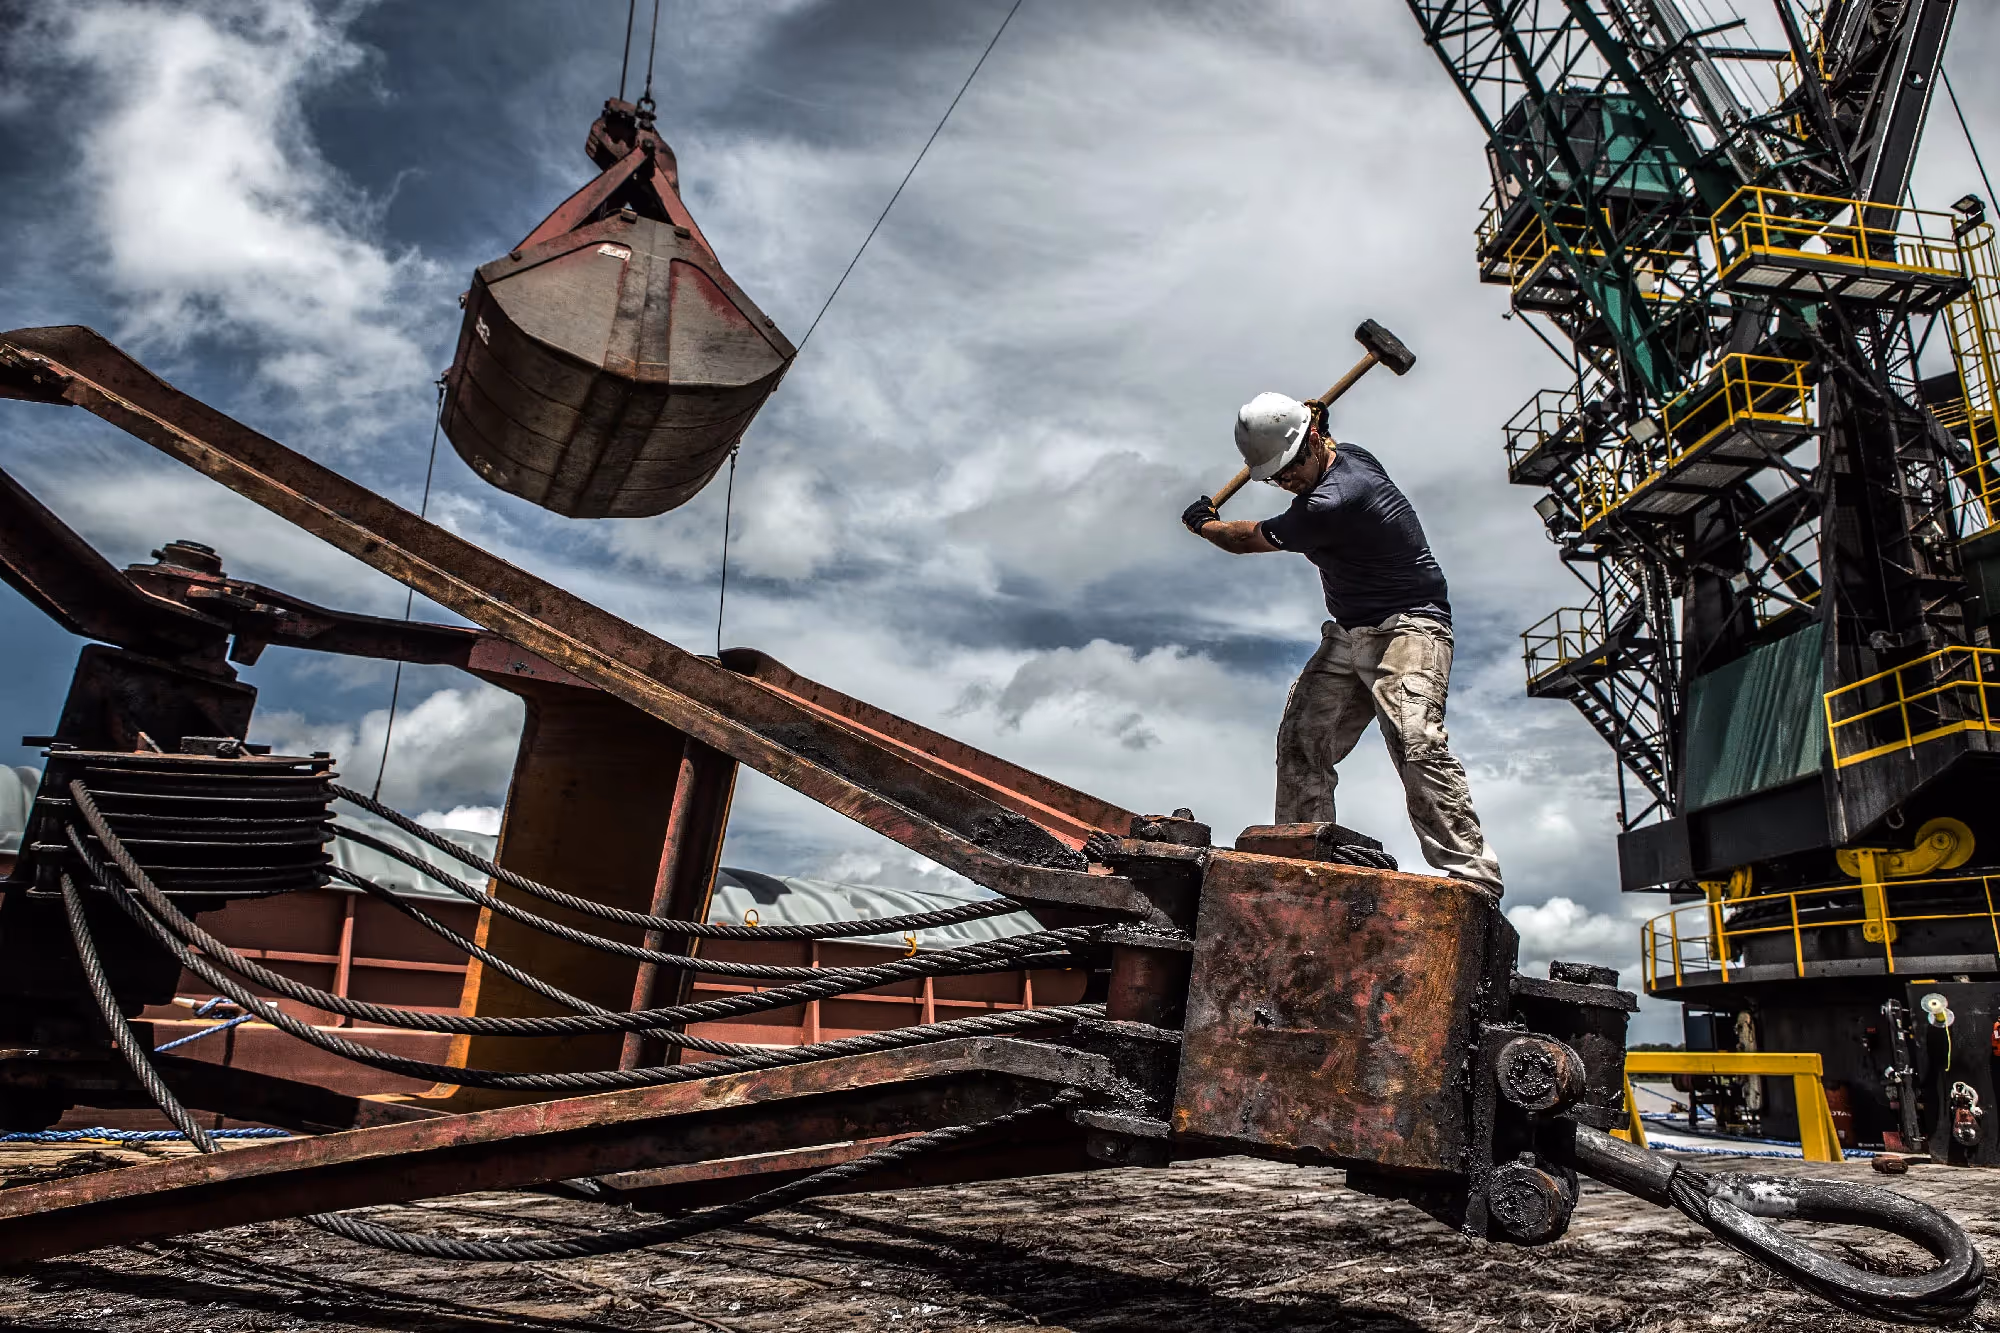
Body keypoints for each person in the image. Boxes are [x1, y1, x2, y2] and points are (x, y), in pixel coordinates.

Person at [1181, 391, 1502, 893]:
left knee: (1414, 739)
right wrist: (1312, 420)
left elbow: (1242, 539)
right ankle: (1299, 857)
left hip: (1409, 628)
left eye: (1291, 470)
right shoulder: (1346, 451)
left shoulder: (1337, 499)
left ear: (1313, 442)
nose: (1287, 483)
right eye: (1277, 478)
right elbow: (1319, 439)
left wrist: (1205, 524)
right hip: (1349, 632)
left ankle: (1473, 873)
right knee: (1301, 740)